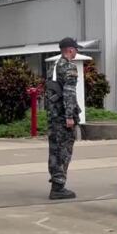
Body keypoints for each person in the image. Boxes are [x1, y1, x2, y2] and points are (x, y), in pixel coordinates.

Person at [44, 37, 82, 200]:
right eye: (76, 50)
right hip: (62, 117)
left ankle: (56, 183)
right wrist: (69, 116)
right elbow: (69, 93)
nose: (76, 53)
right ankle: (58, 187)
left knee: (54, 150)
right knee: (64, 150)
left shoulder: (53, 67)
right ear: (70, 49)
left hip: (53, 116)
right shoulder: (69, 67)